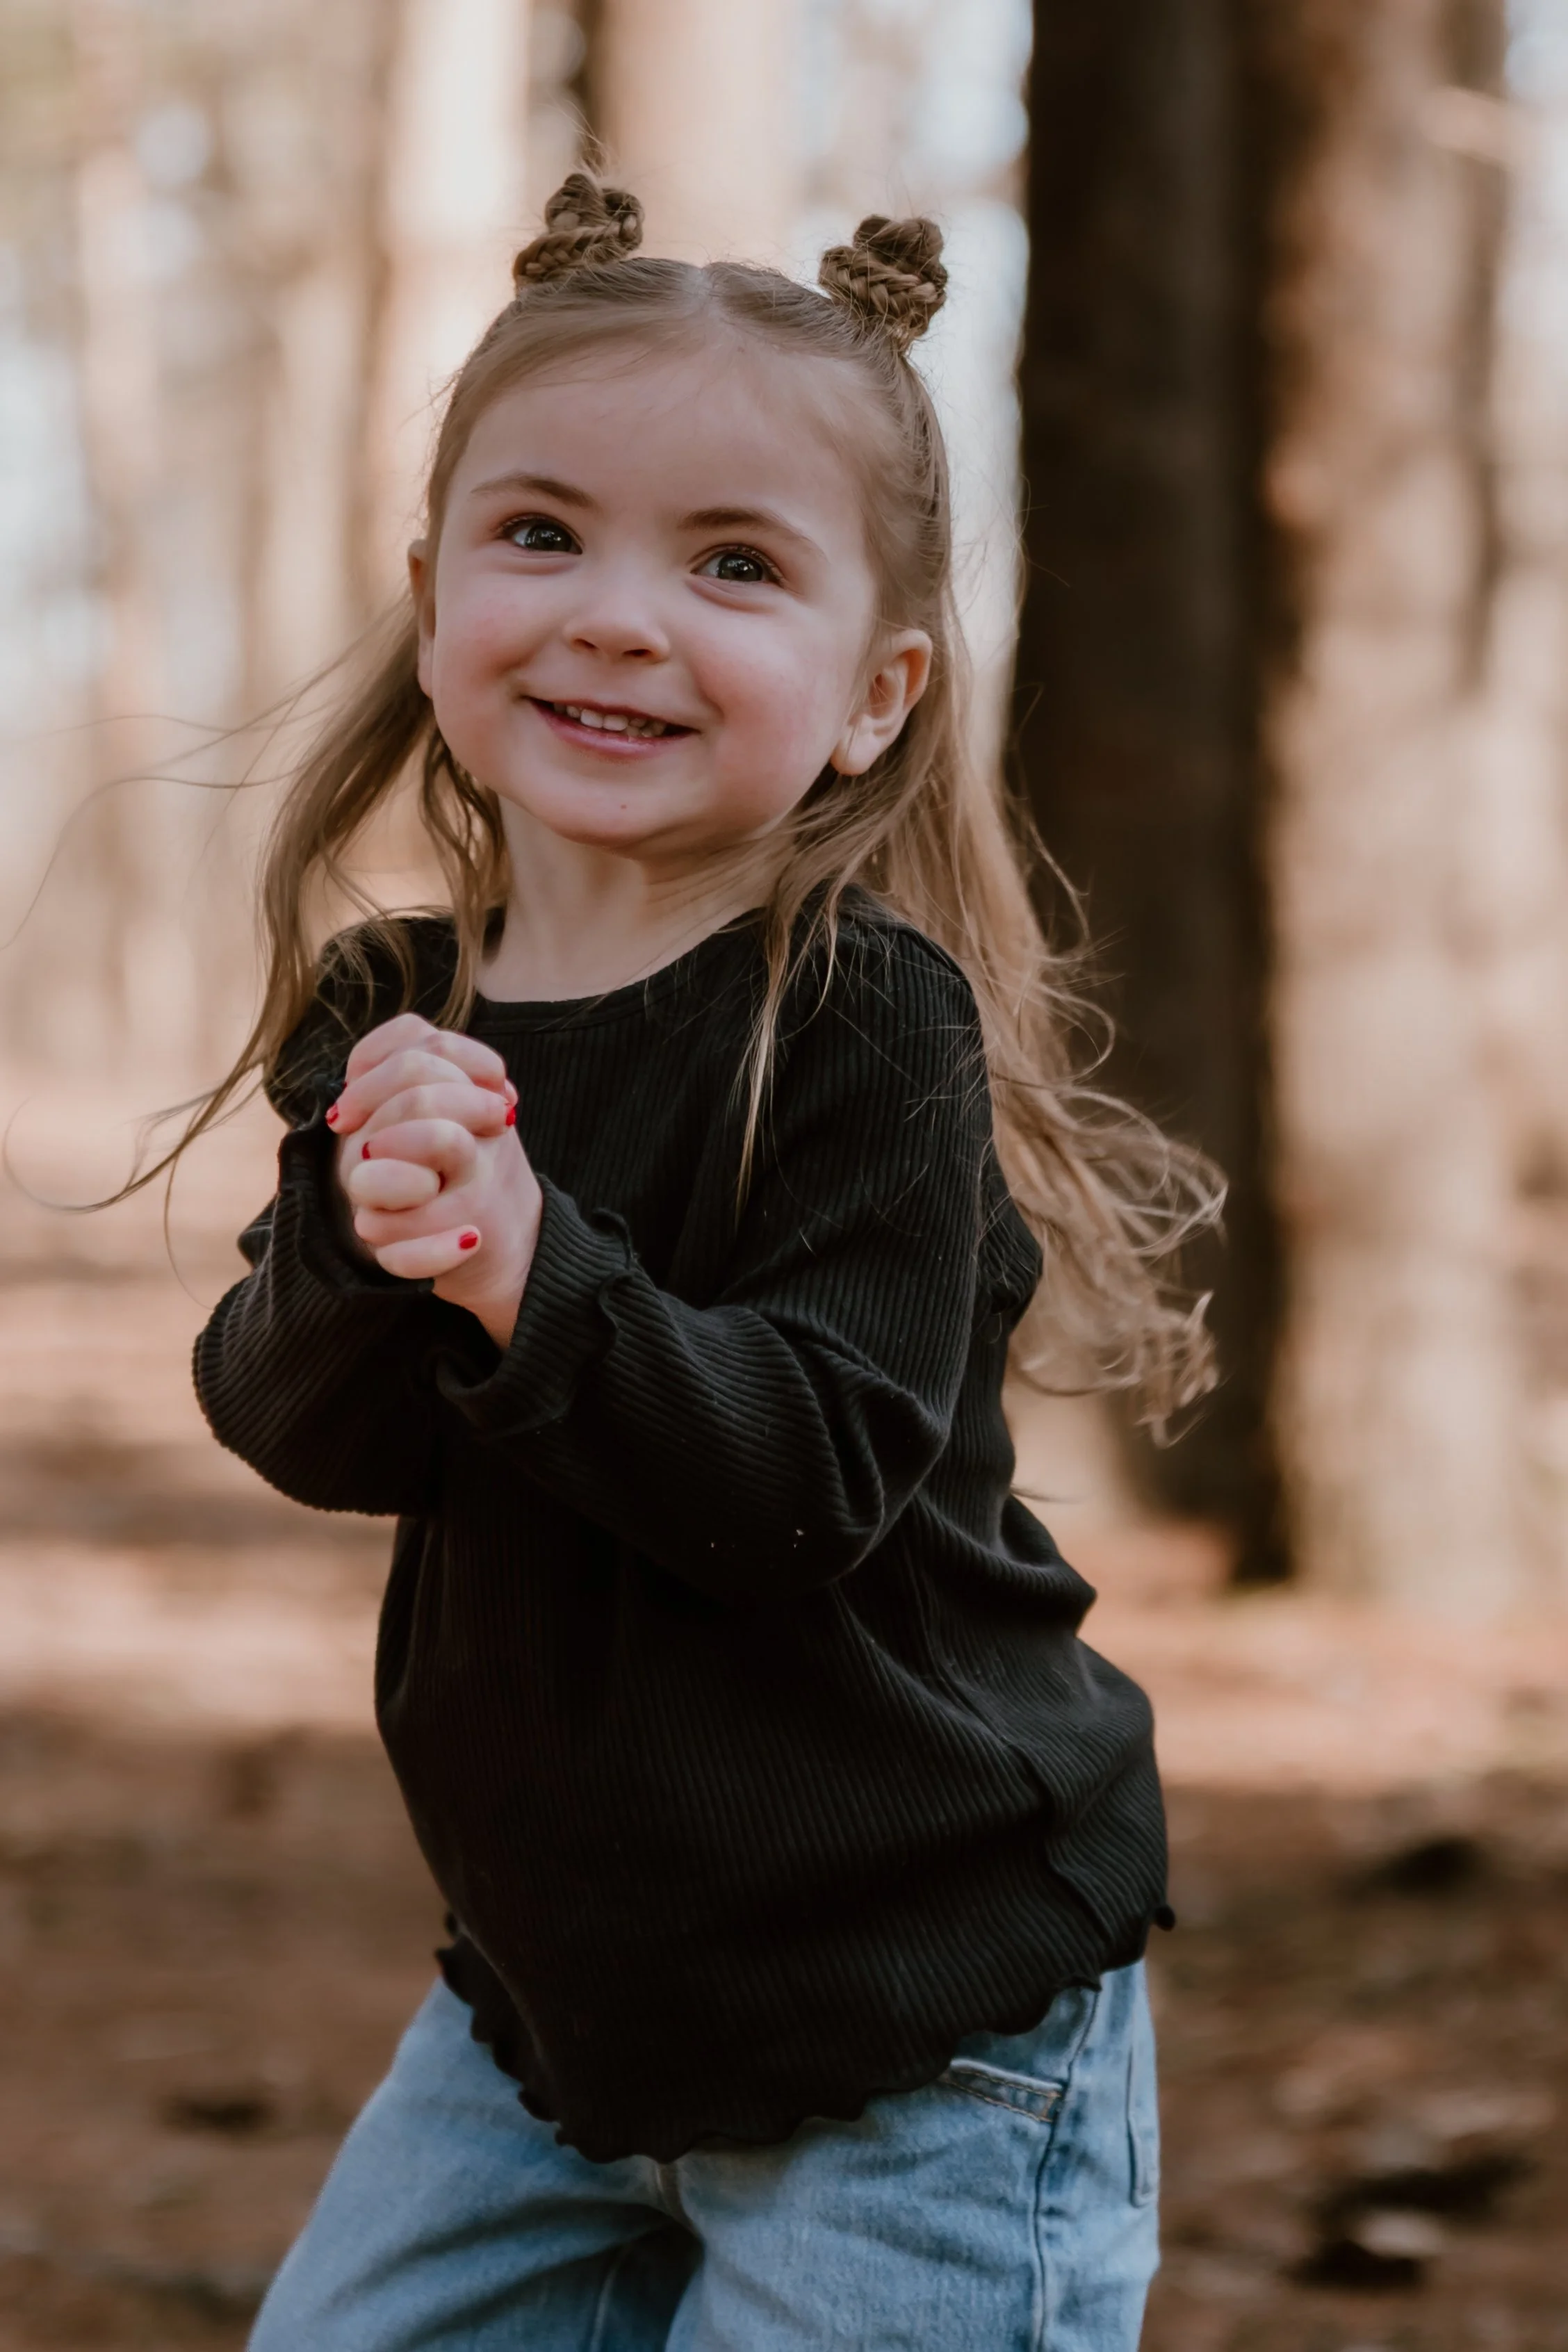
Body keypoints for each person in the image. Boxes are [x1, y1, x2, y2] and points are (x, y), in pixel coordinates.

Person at [190, 173, 1219, 2352]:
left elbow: (803, 1477)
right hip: (555, 2018)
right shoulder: (401, 1005)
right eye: (541, 532)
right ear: (434, 585)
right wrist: (379, 1252)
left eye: (734, 565)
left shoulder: (860, 1024)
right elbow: (305, 1426)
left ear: (874, 690)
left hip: (915, 2026)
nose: (617, 615)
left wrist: (531, 1265)